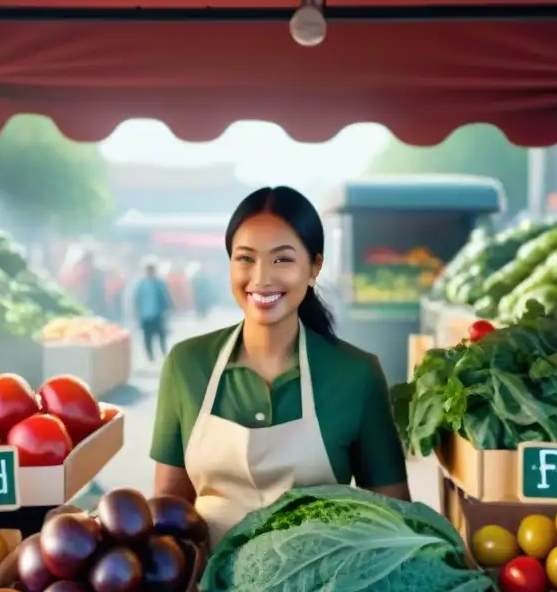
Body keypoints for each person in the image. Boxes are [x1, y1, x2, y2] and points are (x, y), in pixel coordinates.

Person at [150, 186, 410, 549]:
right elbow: (169, 506)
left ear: (314, 267)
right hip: (202, 591)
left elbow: (393, 515)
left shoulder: (357, 374)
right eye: (245, 258)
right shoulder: (186, 364)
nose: (261, 278)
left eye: (282, 259)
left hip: (318, 591)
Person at [134, 260, 172, 361]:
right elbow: (137, 299)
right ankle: (150, 355)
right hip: (145, 315)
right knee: (147, 337)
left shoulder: (159, 283)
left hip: (158, 314)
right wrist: (136, 312)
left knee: (161, 335)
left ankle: (164, 353)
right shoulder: (142, 284)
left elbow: (165, 297)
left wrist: (167, 309)